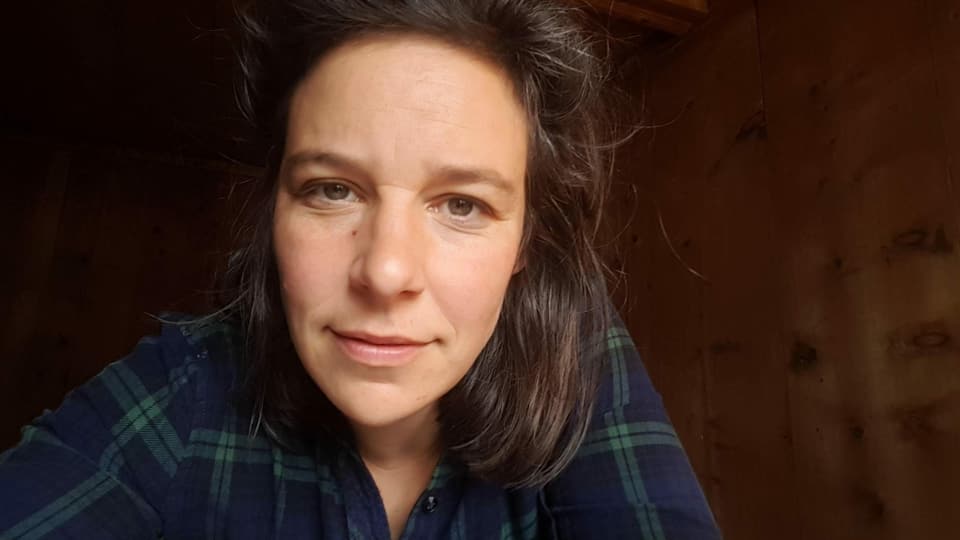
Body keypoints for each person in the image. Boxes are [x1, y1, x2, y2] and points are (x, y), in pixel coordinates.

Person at [0, 1, 721, 538]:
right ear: (274, 210)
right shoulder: (184, 385)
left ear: (526, 242)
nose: (385, 271)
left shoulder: (576, 357)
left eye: (462, 204)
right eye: (332, 190)